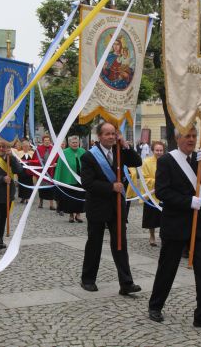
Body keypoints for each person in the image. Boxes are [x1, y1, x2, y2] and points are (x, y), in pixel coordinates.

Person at [148, 125, 201, 331]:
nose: (191, 139)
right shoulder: (167, 161)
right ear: (178, 139)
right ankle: (155, 305)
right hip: (175, 223)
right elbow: (162, 191)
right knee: (167, 268)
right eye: (187, 136)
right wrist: (187, 201)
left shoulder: (199, 158)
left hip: (198, 225)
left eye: (194, 136)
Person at [80, 122, 142, 294]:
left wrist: (126, 146)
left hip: (117, 206)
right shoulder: (89, 156)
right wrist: (110, 187)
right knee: (94, 244)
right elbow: (87, 183)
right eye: (107, 134)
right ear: (99, 136)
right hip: (98, 206)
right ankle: (88, 279)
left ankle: (126, 283)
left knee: (120, 244)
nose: (111, 137)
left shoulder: (120, 151)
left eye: (113, 134)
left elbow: (137, 162)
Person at [130, 141, 165, 246]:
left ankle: (164, 236)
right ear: (152, 150)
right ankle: (152, 235)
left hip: (164, 194)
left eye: (161, 150)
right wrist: (157, 181)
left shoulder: (167, 161)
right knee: (151, 218)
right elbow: (144, 178)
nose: (159, 152)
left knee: (164, 218)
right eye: (157, 150)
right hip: (151, 194)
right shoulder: (146, 162)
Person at [53, 136, 86, 223]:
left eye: (76, 142)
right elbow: (59, 167)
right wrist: (57, 179)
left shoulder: (83, 151)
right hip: (68, 179)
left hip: (81, 180)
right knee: (70, 199)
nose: (75, 144)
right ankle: (71, 215)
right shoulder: (64, 153)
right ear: (69, 143)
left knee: (80, 197)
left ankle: (78, 215)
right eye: (73, 142)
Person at [30, 135, 57, 210]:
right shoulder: (39, 149)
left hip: (51, 172)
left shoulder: (54, 149)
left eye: (48, 140)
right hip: (42, 172)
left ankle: (51, 204)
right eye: (45, 140)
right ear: (43, 141)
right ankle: (40, 202)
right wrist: (39, 162)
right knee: (41, 187)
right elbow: (34, 159)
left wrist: (56, 163)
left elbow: (57, 158)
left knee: (51, 188)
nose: (47, 142)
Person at [15, 139, 35, 205]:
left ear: (29, 147)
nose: (26, 147)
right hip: (21, 172)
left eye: (27, 146)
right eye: (24, 146)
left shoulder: (32, 153)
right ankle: (22, 197)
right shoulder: (19, 153)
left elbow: (35, 161)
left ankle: (28, 198)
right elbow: (16, 162)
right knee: (21, 184)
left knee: (29, 184)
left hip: (29, 172)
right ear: (22, 146)